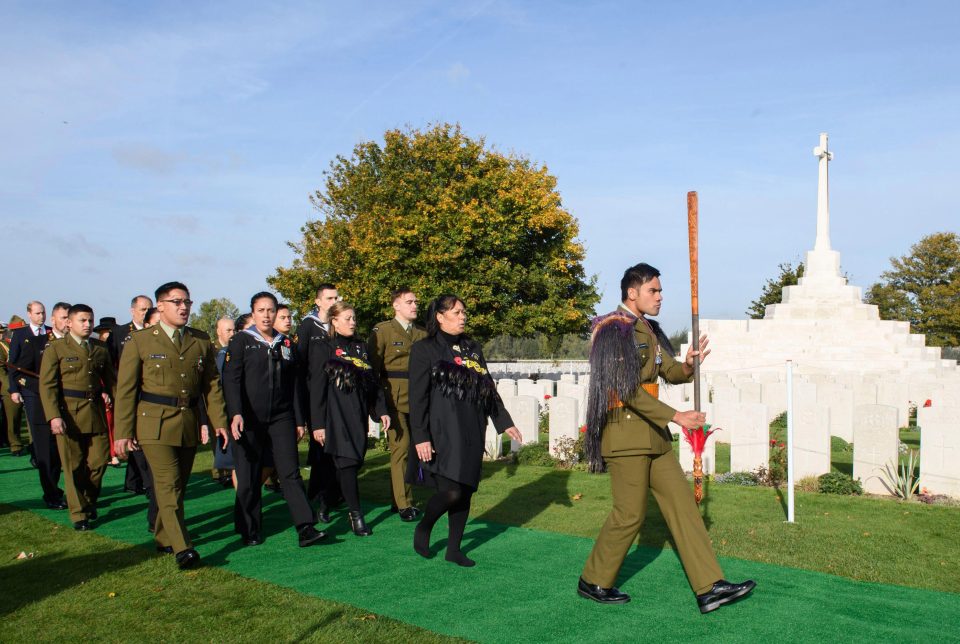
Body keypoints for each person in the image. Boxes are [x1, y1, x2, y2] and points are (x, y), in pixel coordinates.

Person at [578, 262, 755, 613]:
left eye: (660, 291)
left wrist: (689, 364)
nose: (660, 297)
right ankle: (594, 580)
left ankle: (710, 587)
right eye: (653, 291)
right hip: (626, 434)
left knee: (683, 507)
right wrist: (676, 417)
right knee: (629, 515)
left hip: (654, 437)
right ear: (632, 293)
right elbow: (626, 388)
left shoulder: (648, 329)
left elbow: (669, 371)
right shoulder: (613, 329)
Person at [113, 281, 228, 570]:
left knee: (178, 486)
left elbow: (211, 386)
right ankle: (182, 547)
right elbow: (125, 390)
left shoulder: (199, 340)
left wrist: (219, 422)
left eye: (187, 302)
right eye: (176, 301)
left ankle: (164, 536)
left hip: (187, 421)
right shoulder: (140, 341)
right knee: (166, 483)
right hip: (154, 423)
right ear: (160, 306)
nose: (183, 307)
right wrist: (122, 433)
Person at [409, 295, 522, 567]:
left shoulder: (472, 347)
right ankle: (425, 526)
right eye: (457, 312)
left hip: (472, 426)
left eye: (464, 312)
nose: (463, 316)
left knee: (466, 489)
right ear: (440, 316)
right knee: (451, 491)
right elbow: (417, 397)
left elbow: (488, 388)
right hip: (442, 430)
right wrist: (421, 436)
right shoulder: (424, 349)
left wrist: (503, 420)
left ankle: (454, 549)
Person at [223, 292, 326, 547]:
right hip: (249, 419)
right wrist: (235, 413)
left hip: (281, 417)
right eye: (261, 310)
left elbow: (294, 386)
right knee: (248, 476)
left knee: (290, 471)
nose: (267, 315)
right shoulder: (241, 342)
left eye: (270, 310)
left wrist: (299, 420)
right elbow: (231, 381)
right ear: (253, 313)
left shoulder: (286, 344)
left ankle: (305, 527)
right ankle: (249, 527)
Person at [309, 301, 388, 536]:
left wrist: (381, 411)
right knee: (347, 464)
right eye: (347, 318)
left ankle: (326, 499)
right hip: (335, 415)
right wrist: (318, 424)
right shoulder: (324, 347)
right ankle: (356, 516)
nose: (352, 323)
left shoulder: (361, 347)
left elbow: (373, 384)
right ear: (334, 321)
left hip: (358, 415)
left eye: (354, 318)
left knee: (353, 462)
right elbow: (317, 388)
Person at [39, 304, 116, 530]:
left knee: (99, 462)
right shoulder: (56, 348)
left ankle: (88, 500)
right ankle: (78, 513)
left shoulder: (100, 348)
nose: (88, 325)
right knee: (73, 466)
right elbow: (48, 385)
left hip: (95, 412)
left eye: (90, 321)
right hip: (68, 414)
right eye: (82, 320)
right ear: (69, 323)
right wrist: (54, 416)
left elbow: (112, 382)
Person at [368, 287, 426, 521]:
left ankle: (397, 498)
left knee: (414, 449)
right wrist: (378, 405)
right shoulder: (383, 331)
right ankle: (404, 504)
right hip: (393, 398)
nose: (414, 305)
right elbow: (372, 369)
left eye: (416, 302)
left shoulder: (422, 333)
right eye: (409, 301)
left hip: (419, 397)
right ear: (396, 305)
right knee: (400, 449)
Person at [7, 301, 65, 508]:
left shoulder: (51, 334)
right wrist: (14, 389)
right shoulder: (22, 335)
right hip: (33, 393)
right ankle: (51, 493)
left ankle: (57, 488)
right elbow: (14, 366)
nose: (41, 316)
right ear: (29, 314)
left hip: (56, 395)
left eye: (43, 313)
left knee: (57, 448)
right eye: (37, 313)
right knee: (44, 448)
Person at [297, 283, 342, 521]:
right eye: (329, 298)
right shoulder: (307, 325)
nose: (334, 301)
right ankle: (321, 496)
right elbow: (301, 362)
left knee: (334, 448)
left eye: (337, 297)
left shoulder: (338, 324)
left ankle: (330, 493)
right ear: (318, 301)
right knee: (321, 448)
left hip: (336, 395)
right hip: (315, 396)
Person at [111, 295, 156, 499]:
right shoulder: (120, 333)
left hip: (149, 391)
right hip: (128, 391)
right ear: (132, 311)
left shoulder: (155, 332)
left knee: (141, 439)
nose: (145, 312)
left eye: (148, 309)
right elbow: (109, 363)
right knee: (134, 437)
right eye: (141, 309)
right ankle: (143, 482)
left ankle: (136, 481)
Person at [212, 317, 237, 486]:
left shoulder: (234, 351)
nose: (232, 333)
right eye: (228, 330)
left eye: (234, 330)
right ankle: (222, 472)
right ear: (218, 332)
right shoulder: (217, 353)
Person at [1, 317, 28, 457]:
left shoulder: (8, 343)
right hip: (8, 384)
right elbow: (2, 370)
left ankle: (29, 443)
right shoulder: (3, 345)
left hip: (21, 382)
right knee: (12, 415)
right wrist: (11, 387)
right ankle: (15, 444)